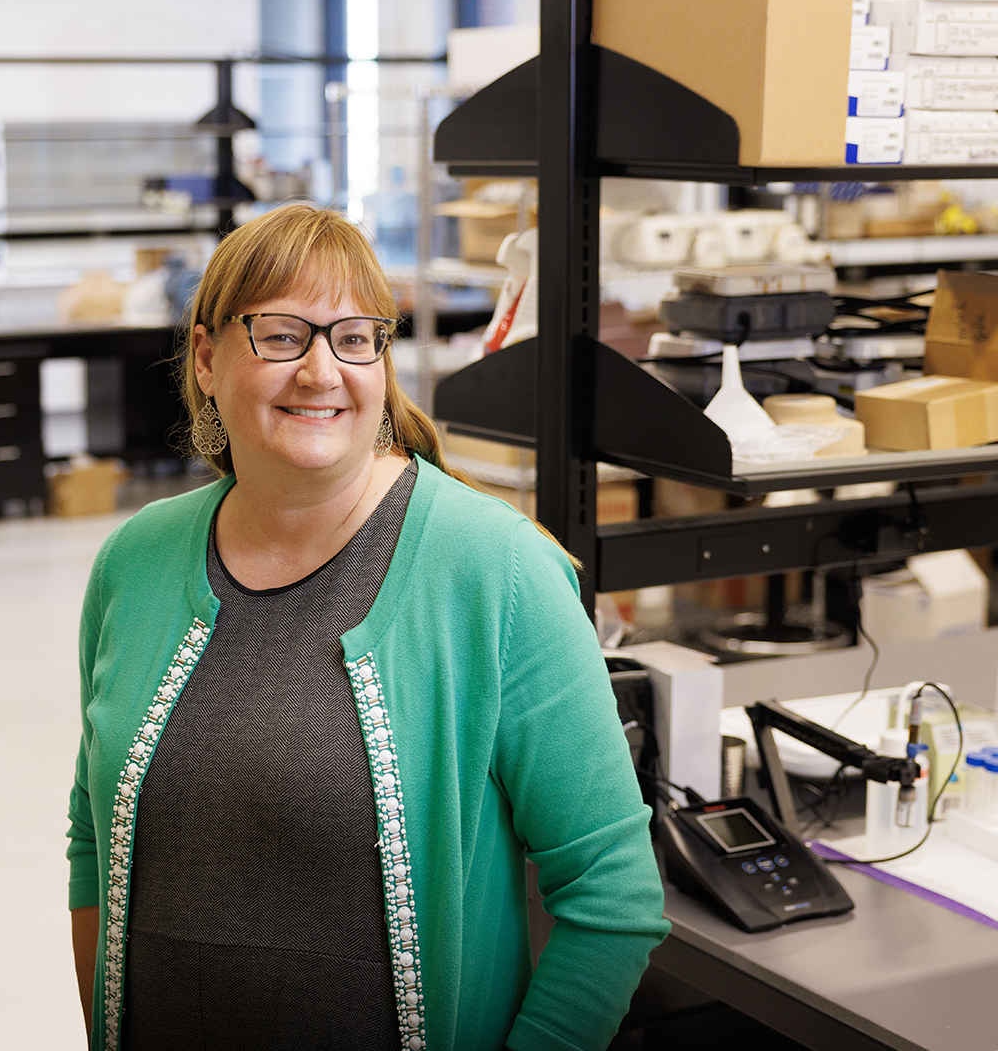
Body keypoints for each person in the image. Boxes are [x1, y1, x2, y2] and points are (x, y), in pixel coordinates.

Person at [66, 203, 668, 1051]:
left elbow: (612, 897)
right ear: (204, 357)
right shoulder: (135, 561)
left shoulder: (496, 569)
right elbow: (92, 835)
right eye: (280, 335)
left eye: (354, 338)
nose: (320, 371)